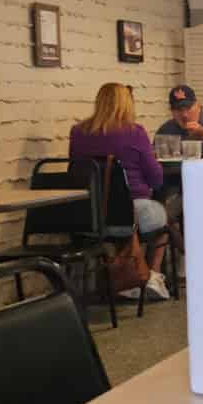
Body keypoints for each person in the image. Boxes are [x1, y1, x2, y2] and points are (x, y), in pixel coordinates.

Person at [69, 82, 170, 301]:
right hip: (132, 212)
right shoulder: (135, 132)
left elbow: (75, 172)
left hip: (89, 215)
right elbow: (156, 179)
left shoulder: (77, 132)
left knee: (126, 220)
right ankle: (151, 275)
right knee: (163, 216)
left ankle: (120, 276)